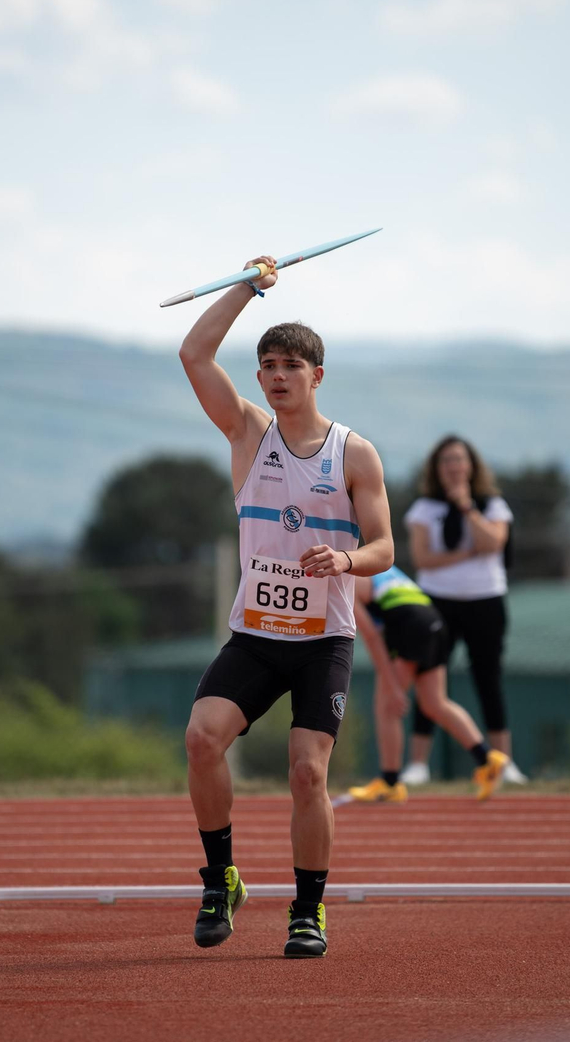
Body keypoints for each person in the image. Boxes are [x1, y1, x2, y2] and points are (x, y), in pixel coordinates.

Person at [178, 254, 394, 959]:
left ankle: (308, 909)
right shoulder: (248, 434)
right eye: (267, 365)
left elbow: (385, 548)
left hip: (322, 640)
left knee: (307, 773)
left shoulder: (355, 454)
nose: (276, 376)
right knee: (202, 739)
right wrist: (247, 286)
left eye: (290, 366)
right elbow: (194, 353)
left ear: (316, 375)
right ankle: (221, 880)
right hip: (257, 635)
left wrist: (347, 560)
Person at [400, 435, 529, 786]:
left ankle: (503, 762)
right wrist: (469, 554)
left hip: (486, 600)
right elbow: (424, 558)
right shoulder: (425, 509)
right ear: (436, 468)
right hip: (437, 601)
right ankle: (418, 764)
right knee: (428, 679)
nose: (453, 467)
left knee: (489, 679)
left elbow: (494, 542)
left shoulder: (493, 505)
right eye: (446, 461)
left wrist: (467, 507)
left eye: (459, 459)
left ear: (471, 466)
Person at [346, 566, 509, 803]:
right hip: (433, 620)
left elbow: (371, 636)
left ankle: (390, 783)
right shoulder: (372, 563)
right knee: (435, 703)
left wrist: (392, 685)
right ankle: (488, 759)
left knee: (387, 706)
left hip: (410, 624)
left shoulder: (343, 579)